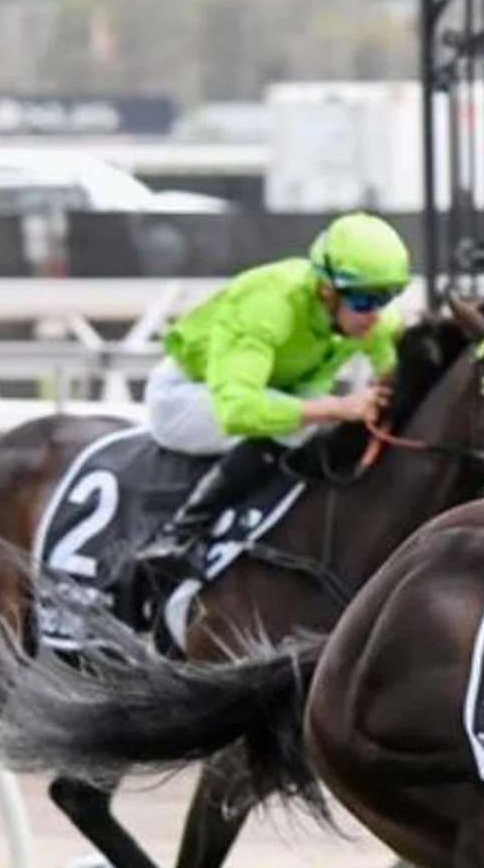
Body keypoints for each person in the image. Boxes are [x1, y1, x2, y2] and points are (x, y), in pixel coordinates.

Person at [134, 210, 411, 590]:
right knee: (303, 428)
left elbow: (394, 375)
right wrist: (339, 407)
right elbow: (238, 411)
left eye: (389, 296)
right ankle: (180, 533)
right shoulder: (269, 305)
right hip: (189, 396)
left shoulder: (370, 314)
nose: (376, 314)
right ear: (327, 290)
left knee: (320, 431)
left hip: (276, 390)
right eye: (365, 299)